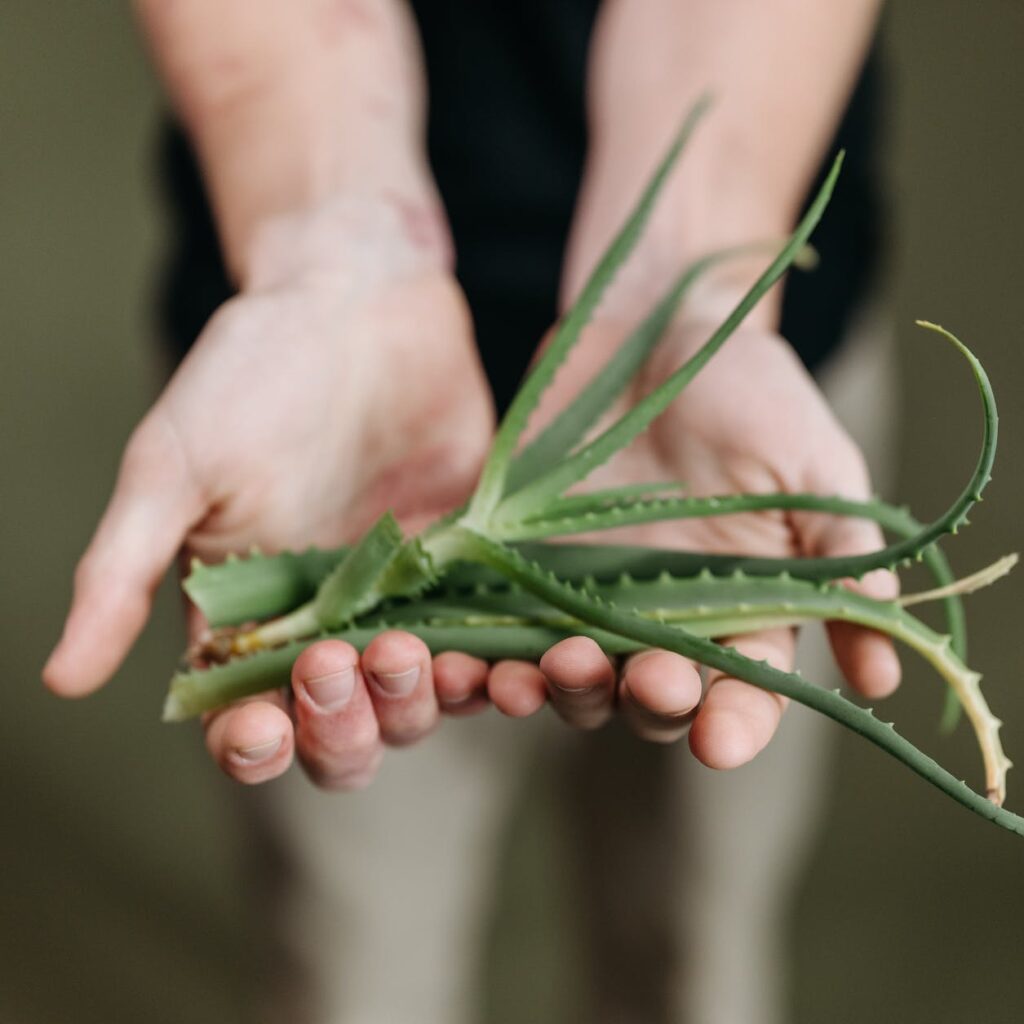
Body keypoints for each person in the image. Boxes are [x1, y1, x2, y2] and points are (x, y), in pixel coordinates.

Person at [44, 2, 899, 1020]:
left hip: (719, 400)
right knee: (350, 953)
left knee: (692, 942)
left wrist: (695, 266)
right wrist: (326, 240)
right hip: (316, 410)